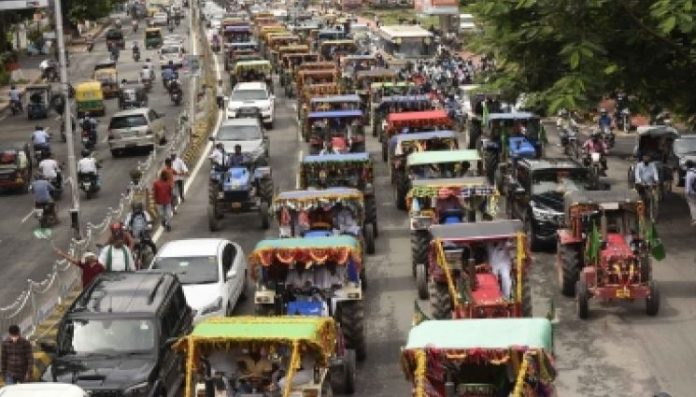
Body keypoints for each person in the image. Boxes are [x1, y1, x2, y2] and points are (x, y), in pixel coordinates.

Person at [685, 160, 696, 226]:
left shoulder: (689, 173)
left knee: (693, 206)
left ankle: (695, 219)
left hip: (692, 193)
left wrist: (686, 193)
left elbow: (688, 185)